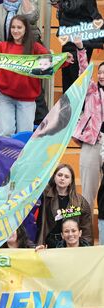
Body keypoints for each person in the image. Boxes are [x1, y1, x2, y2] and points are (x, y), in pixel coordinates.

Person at [0, 15, 72, 137]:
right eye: (13, 27)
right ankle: (7, 157)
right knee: (5, 133)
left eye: (19, 27)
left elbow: (51, 61)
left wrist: (64, 59)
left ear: (26, 29)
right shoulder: (2, 46)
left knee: (24, 135)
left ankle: (22, 157)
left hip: (27, 100)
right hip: (5, 98)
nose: (15, 31)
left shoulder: (35, 48)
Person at [71, 36, 104, 246]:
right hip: (92, 142)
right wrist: (81, 49)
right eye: (100, 72)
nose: (101, 75)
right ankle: (83, 241)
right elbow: (83, 72)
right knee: (88, 194)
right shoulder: (91, 90)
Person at [36, 164, 93, 248]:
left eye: (66, 177)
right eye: (59, 175)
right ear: (54, 177)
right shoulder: (44, 196)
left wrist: (86, 248)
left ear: (71, 181)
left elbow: (86, 229)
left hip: (70, 243)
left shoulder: (80, 201)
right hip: (49, 243)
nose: (62, 178)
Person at [54, 0, 103, 93]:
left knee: (77, 83)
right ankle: (69, 106)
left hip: (81, 42)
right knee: (68, 83)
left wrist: (59, 4)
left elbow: (72, 6)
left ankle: (78, 107)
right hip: (70, 40)